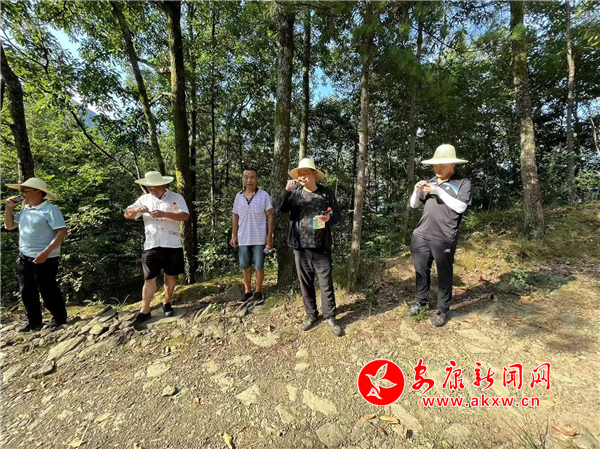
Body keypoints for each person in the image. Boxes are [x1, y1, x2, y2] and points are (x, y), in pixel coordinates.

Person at [276, 158, 343, 336]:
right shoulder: (295, 194)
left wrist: (329, 218)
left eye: (305, 173)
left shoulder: (326, 193)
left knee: (326, 283)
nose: (302, 176)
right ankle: (311, 314)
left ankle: (330, 316)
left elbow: (337, 213)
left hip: (321, 246)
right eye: (300, 174)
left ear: (314, 174)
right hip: (300, 247)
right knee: (305, 284)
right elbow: (280, 208)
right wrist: (286, 191)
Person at [407, 144, 472, 327]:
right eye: (435, 165)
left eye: (442, 165)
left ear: (453, 164)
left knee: (444, 274)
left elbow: (461, 207)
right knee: (421, 271)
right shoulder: (431, 182)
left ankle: (442, 310)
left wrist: (439, 191)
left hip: (444, 237)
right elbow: (414, 205)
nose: (437, 169)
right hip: (421, 234)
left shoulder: (462, 183)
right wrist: (417, 190)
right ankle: (420, 302)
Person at [124, 171, 190, 326]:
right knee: (149, 278)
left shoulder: (176, 197)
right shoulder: (144, 199)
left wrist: (164, 214)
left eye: (157, 188)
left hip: (172, 243)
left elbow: (185, 216)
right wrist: (136, 210)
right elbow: (127, 214)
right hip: (151, 244)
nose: (153, 190)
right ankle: (144, 310)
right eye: (150, 188)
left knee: (171, 275)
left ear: (164, 184)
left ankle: (167, 302)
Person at [4, 178, 68, 332]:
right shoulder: (25, 209)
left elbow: (62, 232)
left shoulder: (50, 210)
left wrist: (46, 253)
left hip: (46, 257)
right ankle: (33, 322)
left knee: (48, 289)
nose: (21, 194)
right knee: (26, 291)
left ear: (38, 192)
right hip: (24, 256)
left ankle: (59, 318)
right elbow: (9, 225)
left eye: (24, 191)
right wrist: (8, 208)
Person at [230, 168, 274, 306]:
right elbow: (235, 216)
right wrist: (233, 235)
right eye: (246, 177)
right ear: (243, 179)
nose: (249, 180)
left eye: (252, 177)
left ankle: (258, 292)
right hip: (243, 238)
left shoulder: (264, 195)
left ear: (257, 179)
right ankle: (247, 291)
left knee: (259, 266)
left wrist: (270, 235)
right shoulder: (238, 196)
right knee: (245, 266)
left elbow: (270, 215)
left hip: (259, 238)